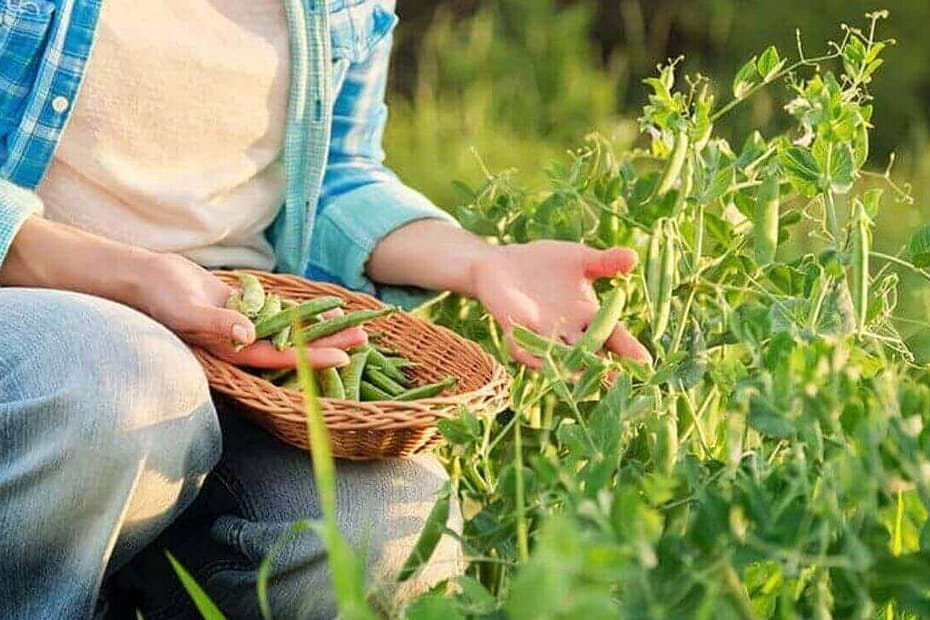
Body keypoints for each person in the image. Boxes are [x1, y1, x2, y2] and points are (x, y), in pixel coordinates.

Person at [0, 0, 651, 617]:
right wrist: (137, 279)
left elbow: (338, 169)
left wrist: (483, 261)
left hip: (243, 335)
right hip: (41, 310)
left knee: (386, 535)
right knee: (122, 385)